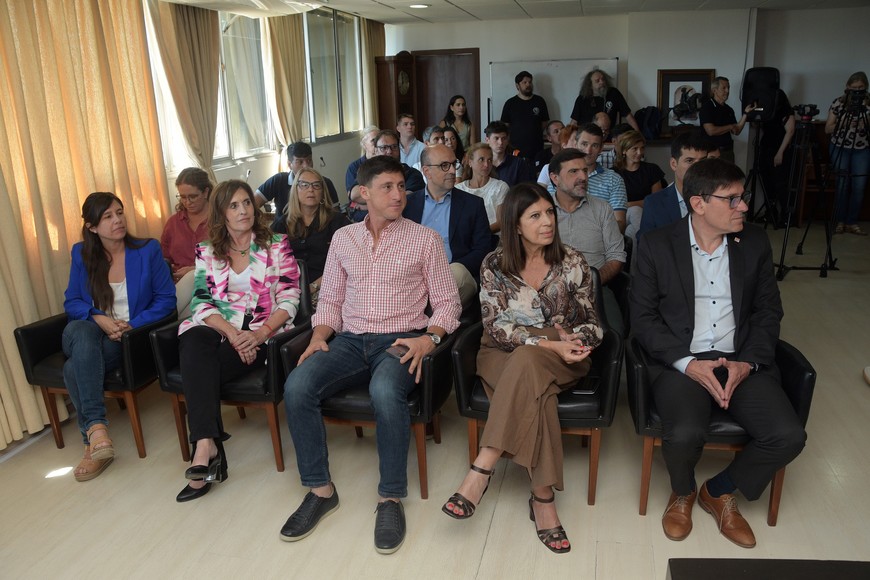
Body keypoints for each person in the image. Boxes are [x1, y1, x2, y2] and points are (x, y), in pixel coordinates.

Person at [280, 155, 461, 554]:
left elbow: (449, 305)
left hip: (401, 339)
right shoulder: (344, 238)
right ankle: (320, 490)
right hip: (347, 340)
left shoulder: (424, 239)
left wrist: (428, 339)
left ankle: (390, 498)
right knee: (297, 386)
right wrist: (317, 336)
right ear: (364, 193)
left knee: (384, 391)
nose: (398, 195)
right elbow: (330, 300)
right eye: (387, 187)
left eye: (401, 187)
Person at [630, 157, 806, 549]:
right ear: (698, 203)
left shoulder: (754, 242)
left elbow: (767, 311)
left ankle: (720, 490)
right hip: (682, 362)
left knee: (788, 436)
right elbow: (642, 319)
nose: (743, 206)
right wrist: (688, 364)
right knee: (685, 432)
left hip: (741, 359)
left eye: (742, 197)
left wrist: (747, 363)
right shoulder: (657, 245)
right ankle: (683, 491)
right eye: (733, 199)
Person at [441, 182, 602, 555]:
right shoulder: (493, 265)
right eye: (535, 215)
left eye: (550, 212)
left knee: (531, 362)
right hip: (500, 352)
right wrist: (545, 340)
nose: (547, 221)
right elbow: (495, 325)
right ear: (514, 224)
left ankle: (482, 466)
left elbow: (593, 322)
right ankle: (542, 499)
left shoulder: (573, 261)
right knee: (538, 393)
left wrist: (576, 341)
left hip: (563, 356)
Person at [175, 180, 301, 502]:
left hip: (264, 332)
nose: (243, 210)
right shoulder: (207, 251)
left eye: (246, 202)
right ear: (221, 213)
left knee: (201, 368)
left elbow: (289, 299)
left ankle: (205, 450)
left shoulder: (276, 244)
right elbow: (201, 301)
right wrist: (232, 334)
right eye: (233, 205)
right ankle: (207, 442)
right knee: (192, 340)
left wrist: (258, 335)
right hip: (222, 328)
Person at [63, 192, 176, 481]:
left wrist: (131, 325)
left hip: (126, 340)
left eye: (120, 213)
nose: (118, 220)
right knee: (80, 328)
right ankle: (98, 426)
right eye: (108, 217)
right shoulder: (81, 253)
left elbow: (166, 300)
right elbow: (72, 301)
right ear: (91, 227)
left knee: (72, 367)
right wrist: (98, 317)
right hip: (90, 332)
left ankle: (93, 443)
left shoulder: (147, 250)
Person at [548, 149, 626, 334]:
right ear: (555, 178)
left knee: (614, 335)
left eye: (585, 170)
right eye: (574, 172)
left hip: (596, 289)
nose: (583, 176)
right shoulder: (542, 211)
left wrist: (591, 281)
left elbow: (616, 257)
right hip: (549, 292)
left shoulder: (602, 209)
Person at [404, 144, 492, 307]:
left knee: (455, 274)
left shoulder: (473, 204)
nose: (452, 171)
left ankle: (420, 316)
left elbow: (483, 248)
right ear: (426, 171)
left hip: (456, 274)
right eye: (445, 166)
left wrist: (445, 271)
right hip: (415, 276)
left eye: (454, 164)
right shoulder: (408, 205)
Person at [281, 168, 351, 305]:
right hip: (290, 291)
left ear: (322, 192)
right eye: (304, 185)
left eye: (316, 185)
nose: (311, 190)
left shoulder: (338, 221)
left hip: (330, 287)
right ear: (296, 189)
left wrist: (313, 287)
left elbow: (347, 263)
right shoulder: (282, 224)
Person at [637, 131, 718, 243]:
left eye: (702, 161)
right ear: (673, 164)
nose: (697, 168)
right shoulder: (654, 204)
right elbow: (645, 248)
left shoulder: (718, 200)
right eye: (690, 161)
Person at [161, 167, 212, 318]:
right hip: (178, 286)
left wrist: (194, 269)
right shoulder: (173, 223)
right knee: (193, 306)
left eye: (193, 196)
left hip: (212, 282)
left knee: (194, 278)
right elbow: (163, 260)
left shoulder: (220, 221)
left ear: (206, 192)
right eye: (182, 197)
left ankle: (162, 321)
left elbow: (233, 259)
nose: (187, 202)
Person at [255, 142, 340, 231]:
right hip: (285, 233)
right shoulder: (278, 180)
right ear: (289, 164)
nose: (306, 166)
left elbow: (335, 215)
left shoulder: (325, 183)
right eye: (300, 162)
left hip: (318, 233)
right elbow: (253, 204)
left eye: (309, 160)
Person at [825, 71, 870, 235]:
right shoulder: (839, 103)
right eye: (853, 88)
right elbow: (827, 128)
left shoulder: (868, 104)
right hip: (840, 146)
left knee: (859, 186)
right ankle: (839, 221)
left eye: (860, 88)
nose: (857, 91)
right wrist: (844, 121)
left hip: (863, 149)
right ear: (847, 87)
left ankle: (852, 221)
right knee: (842, 184)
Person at [348, 130, 425, 222]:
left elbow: (403, 201)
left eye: (394, 147)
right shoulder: (368, 172)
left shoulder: (412, 174)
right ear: (376, 150)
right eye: (384, 147)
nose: (389, 151)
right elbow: (354, 195)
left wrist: (367, 204)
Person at [613, 130, 666, 240]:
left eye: (642, 148)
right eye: (635, 149)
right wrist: (638, 204)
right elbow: (611, 204)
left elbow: (656, 200)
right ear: (624, 150)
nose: (639, 152)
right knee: (636, 210)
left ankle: (636, 256)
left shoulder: (651, 169)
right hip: (619, 216)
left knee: (631, 232)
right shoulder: (613, 173)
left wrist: (627, 204)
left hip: (647, 215)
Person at [758, 89, 795, 227]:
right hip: (766, 148)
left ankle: (787, 216)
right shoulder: (768, 112)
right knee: (767, 183)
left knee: (781, 184)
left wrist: (780, 153)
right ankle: (771, 214)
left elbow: (790, 132)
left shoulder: (786, 111)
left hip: (779, 150)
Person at [456, 142, 509, 236]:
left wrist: (477, 234)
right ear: (470, 162)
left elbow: (501, 222)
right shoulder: (459, 189)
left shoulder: (500, 187)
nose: (486, 164)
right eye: (481, 160)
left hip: (494, 242)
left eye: (489, 160)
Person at [699, 77, 756, 162]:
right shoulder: (707, 107)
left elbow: (736, 131)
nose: (727, 91)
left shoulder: (729, 109)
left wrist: (746, 114)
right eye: (724, 88)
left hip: (728, 152)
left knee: (729, 175)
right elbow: (710, 131)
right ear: (715, 90)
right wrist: (730, 126)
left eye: (728, 88)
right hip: (711, 154)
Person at [500, 71, 550, 160]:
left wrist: (533, 132)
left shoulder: (539, 101)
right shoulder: (510, 103)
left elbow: (545, 122)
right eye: (524, 82)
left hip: (536, 147)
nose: (528, 85)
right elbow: (504, 126)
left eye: (530, 82)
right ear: (517, 85)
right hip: (515, 148)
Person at [569, 69, 639, 131]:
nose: (601, 82)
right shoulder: (582, 99)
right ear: (590, 85)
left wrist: (638, 136)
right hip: (588, 138)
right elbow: (574, 122)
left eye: (603, 79)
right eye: (597, 81)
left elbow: (628, 116)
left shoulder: (614, 93)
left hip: (609, 138)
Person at [485, 120, 532, 187]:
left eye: (504, 138)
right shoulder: (482, 163)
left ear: (508, 140)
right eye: (496, 138)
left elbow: (524, 191)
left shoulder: (518, 163)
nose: (500, 142)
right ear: (487, 140)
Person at [346, 125, 380, 210]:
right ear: (364, 145)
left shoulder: (385, 164)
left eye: (378, 140)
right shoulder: (354, 167)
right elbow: (354, 196)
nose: (377, 144)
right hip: (360, 211)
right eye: (373, 141)